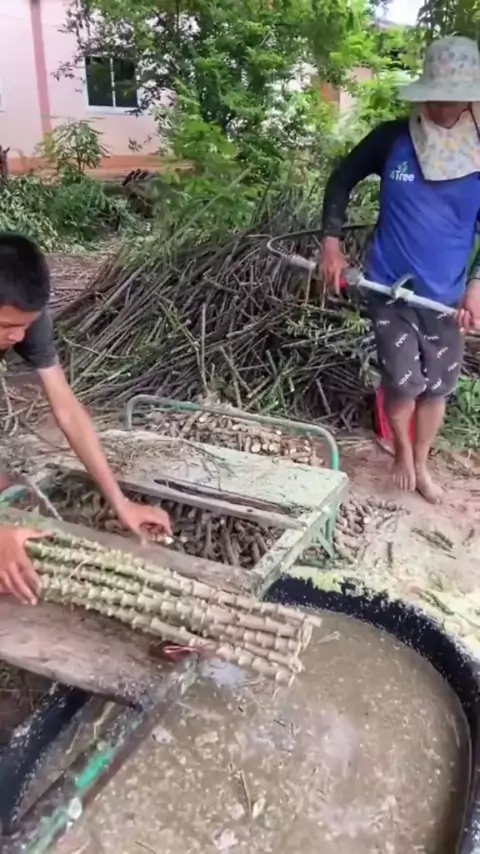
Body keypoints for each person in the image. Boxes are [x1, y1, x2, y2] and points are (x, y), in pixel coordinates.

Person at [321, 35, 480, 505]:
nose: (444, 105)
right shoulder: (392, 139)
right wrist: (331, 245)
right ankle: (403, 455)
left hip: (446, 298)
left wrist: (476, 287)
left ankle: (423, 462)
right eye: (437, 94)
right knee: (403, 383)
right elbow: (341, 179)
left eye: (455, 96)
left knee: (438, 388)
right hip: (389, 288)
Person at [0, 232, 172, 604]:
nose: (18, 336)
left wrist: (120, 501)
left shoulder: (24, 322)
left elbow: (67, 409)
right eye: (5, 326)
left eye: (26, 325)